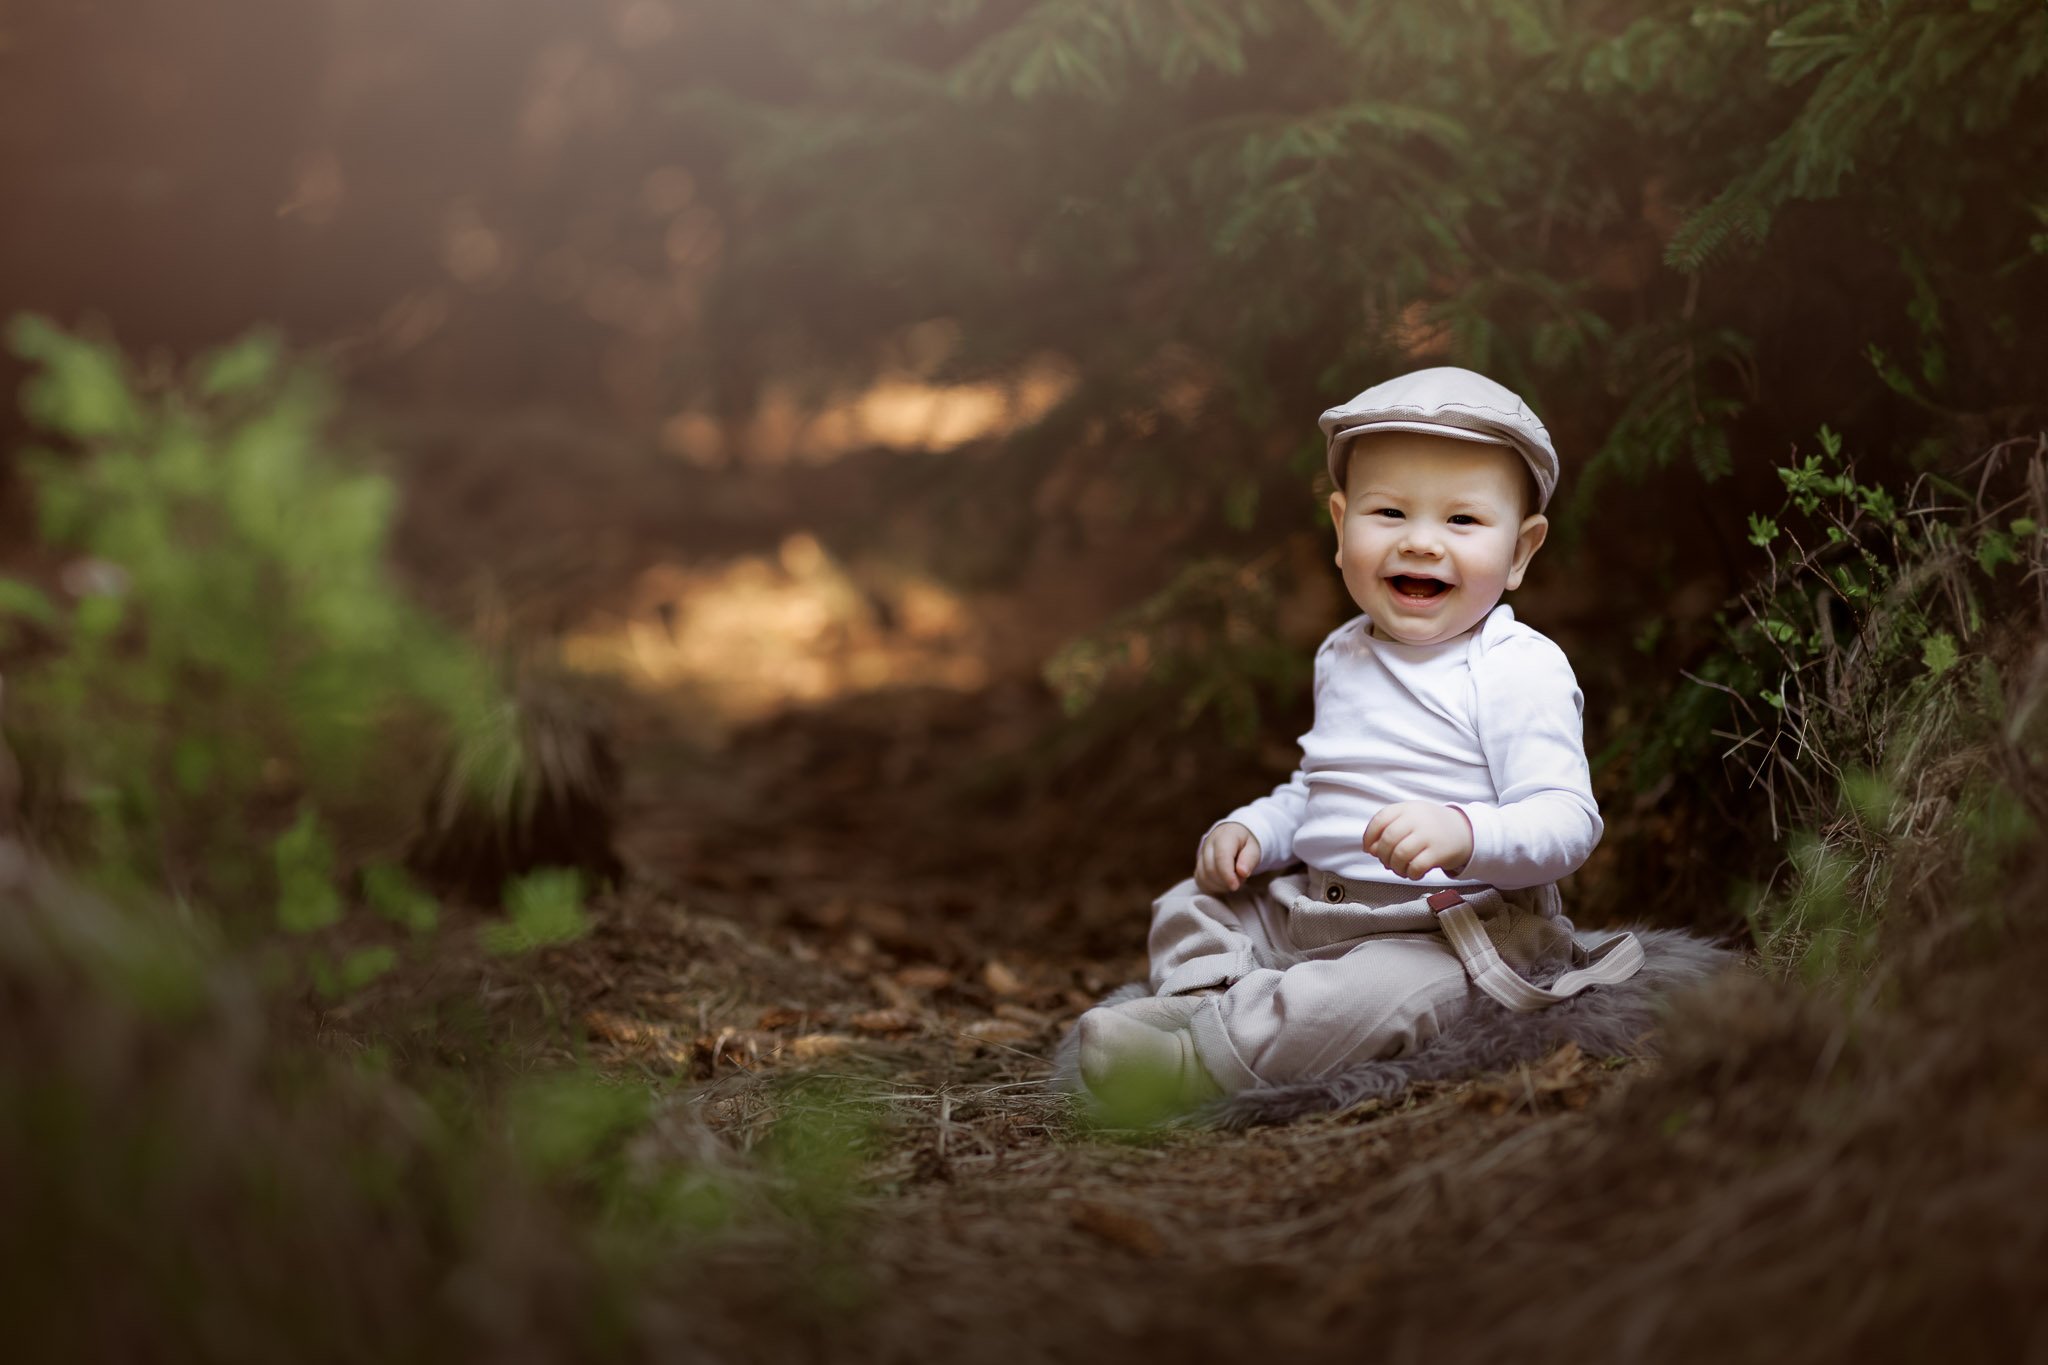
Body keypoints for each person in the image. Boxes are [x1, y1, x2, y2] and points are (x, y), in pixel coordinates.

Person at [1076, 366, 1643, 1110]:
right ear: (1341, 529)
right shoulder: (1345, 651)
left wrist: (1464, 831)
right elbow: (1320, 789)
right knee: (1192, 900)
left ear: (1520, 552)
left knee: (1368, 998)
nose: (1421, 542)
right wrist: (1255, 826)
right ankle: (1210, 999)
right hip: (1319, 907)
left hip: (1448, 933)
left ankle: (1193, 1060)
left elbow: (1567, 821)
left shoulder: (1515, 667)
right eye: (1389, 512)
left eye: (1462, 521)